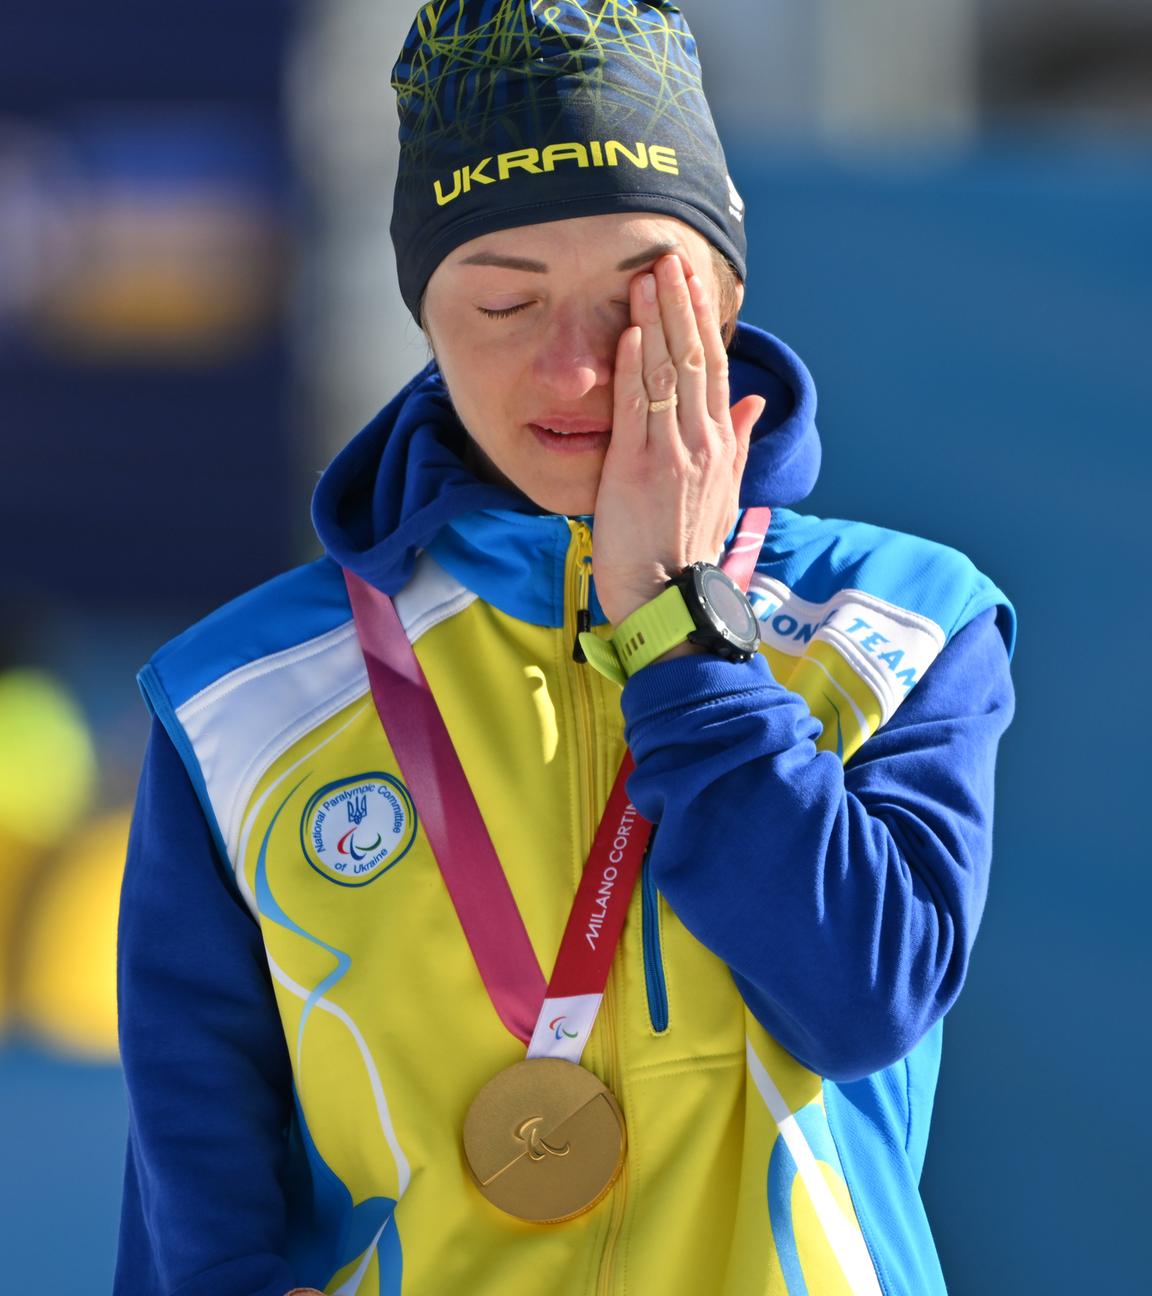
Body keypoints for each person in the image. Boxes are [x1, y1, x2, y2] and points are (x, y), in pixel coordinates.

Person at [115, 3, 1016, 1294]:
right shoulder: (240, 694)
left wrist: (679, 626)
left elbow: (859, 996)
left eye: (642, 296)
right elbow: (199, 1211)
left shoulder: (903, 620)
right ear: (423, 315)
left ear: (728, 294)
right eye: (504, 302)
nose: (581, 371)